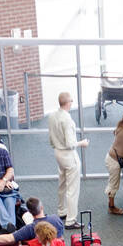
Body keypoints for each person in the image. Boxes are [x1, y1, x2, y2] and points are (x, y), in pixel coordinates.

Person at [48, 91, 88, 228]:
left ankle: (62, 211)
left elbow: (51, 138)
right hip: (69, 155)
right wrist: (82, 143)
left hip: (58, 153)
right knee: (72, 189)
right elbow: (71, 143)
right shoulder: (67, 119)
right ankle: (71, 220)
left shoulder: (52, 116)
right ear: (68, 102)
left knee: (62, 184)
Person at [0, 196, 64, 246]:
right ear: (42, 207)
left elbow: (9, 238)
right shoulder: (56, 219)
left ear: (29, 212)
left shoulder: (31, 228)